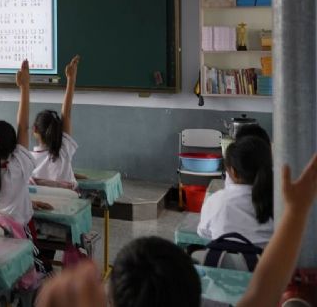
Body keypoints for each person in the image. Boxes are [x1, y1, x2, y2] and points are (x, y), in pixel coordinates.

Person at [34, 152, 317, 307]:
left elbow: (262, 288)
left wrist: (296, 211)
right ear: (196, 288)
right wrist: (296, 210)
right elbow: (264, 289)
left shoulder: (217, 201)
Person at [0, 60, 51, 230]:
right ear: (14, 148)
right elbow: (23, 127)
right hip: (16, 238)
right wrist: (25, 87)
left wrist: (26, 202)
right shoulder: (18, 170)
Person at [198, 136, 274, 245]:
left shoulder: (215, 201)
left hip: (223, 255)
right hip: (269, 256)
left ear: (233, 172)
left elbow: (203, 232)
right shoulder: (280, 203)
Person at [31, 55, 81, 190]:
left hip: (40, 204)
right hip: (69, 202)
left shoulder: (27, 161)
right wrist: (71, 79)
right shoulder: (64, 150)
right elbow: (67, 114)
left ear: (34, 130)